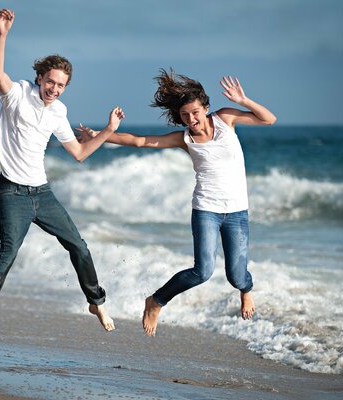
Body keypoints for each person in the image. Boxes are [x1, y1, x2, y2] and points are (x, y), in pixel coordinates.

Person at [77, 69, 276, 336]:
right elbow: (139, 141)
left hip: (237, 211)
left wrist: (244, 100)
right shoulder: (185, 139)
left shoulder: (226, 118)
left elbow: (268, 120)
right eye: (185, 115)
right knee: (202, 271)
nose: (191, 119)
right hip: (206, 209)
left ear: (205, 108)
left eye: (195, 112)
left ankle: (246, 291)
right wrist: (99, 135)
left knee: (237, 276)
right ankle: (156, 301)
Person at [0, 8, 124, 347]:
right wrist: (3, 35)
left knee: (78, 246)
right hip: (12, 192)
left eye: (61, 85)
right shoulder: (17, 94)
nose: (54, 88)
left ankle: (96, 302)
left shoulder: (58, 112)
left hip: (42, 192)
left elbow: (79, 154)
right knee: (8, 252)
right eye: (50, 81)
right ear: (40, 77)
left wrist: (109, 131)